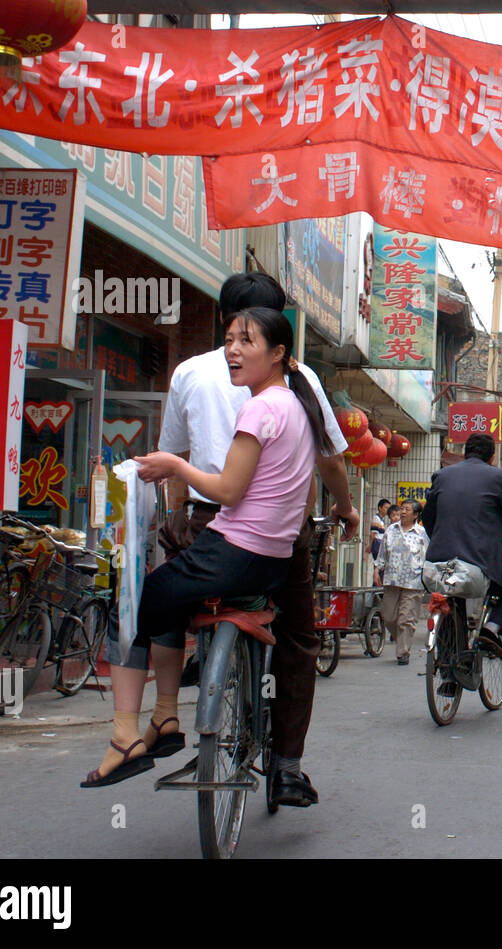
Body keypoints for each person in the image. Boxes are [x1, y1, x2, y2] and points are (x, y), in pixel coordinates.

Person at [83, 307, 330, 789]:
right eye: (230, 339)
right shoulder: (298, 405)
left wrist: (174, 465)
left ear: (278, 353)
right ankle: (166, 720)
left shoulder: (261, 407)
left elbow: (228, 491)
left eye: (247, 341)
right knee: (168, 596)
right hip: (273, 560)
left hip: (233, 552)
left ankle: (136, 730)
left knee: (138, 600)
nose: (233, 351)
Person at [141, 272, 358, 808]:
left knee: (170, 596)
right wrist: (347, 509)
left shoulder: (192, 371)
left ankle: (167, 708)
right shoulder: (296, 378)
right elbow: (330, 459)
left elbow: (176, 461)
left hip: (207, 521)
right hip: (282, 536)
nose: (238, 346)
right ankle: (286, 765)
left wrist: (173, 517)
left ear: (230, 321)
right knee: (297, 640)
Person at [421, 433, 502, 662]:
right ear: (492, 457)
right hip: (481, 560)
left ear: (464, 453)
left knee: (451, 601)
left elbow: (428, 517)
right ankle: (490, 630)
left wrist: (440, 541)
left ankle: (449, 674)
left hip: (439, 562)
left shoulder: (442, 475)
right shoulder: (500, 477)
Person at [375, 499, 429, 665]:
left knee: (406, 618)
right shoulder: (391, 529)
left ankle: (403, 652)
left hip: (413, 582)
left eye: (407, 509)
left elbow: (428, 556)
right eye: (402, 508)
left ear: (416, 515)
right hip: (392, 579)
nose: (403, 512)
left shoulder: (422, 533)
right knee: (388, 616)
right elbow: (383, 552)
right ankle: (402, 639)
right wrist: (377, 569)